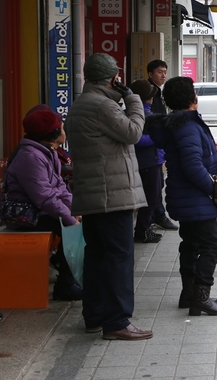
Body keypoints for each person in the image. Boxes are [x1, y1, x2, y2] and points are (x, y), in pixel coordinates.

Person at [64, 53, 152, 341]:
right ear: (113, 77)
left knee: (98, 256)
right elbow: (133, 132)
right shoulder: (102, 106)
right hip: (111, 195)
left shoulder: (81, 104)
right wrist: (134, 100)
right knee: (118, 258)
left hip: (93, 194)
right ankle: (117, 321)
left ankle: (95, 316)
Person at [147, 76, 217, 316]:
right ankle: (201, 297)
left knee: (191, 245)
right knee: (212, 246)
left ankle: (189, 294)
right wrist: (212, 188)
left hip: (185, 197)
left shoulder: (179, 124)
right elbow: (193, 166)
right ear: (192, 98)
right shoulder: (188, 126)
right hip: (195, 198)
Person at [2, 109, 82, 301]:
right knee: (69, 229)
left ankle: (69, 277)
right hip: (24, 215)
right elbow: (44, 197)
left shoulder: (46, 151)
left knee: (77, 223)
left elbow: (60, 187)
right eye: (61, 127)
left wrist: (75, 210)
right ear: (53, 134)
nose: (65, 131)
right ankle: (65, 286)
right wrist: (70, 218)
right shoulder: (31, 157)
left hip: (40, 211)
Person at [129, 80, 164, 244]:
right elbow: (135, 139)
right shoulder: (141, 115)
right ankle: (142, 230)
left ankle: (145, 228)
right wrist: (157, 139)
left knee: (152, 196)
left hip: (152, 160)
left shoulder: (137, 113)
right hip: (149, 161)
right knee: (150, 197)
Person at [146, 59, 178, 231]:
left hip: (156, 147)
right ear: (150, 74)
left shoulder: (158, 92)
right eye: (159, 72)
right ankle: (156, 216)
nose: (163, 75)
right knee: (155, 185)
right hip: (151, 147)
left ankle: (153, 216)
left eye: (165, 72)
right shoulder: (149, 93)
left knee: (157, 184)